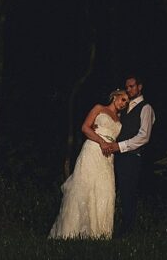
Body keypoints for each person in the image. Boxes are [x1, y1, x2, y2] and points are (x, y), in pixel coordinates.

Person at [49, 89, 129, 239]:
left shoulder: (119, 119)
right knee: (84, 186)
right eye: (123, 99)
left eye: (127, 102)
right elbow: (85, 127)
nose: (124, 103)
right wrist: (101, 141)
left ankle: (100, 233)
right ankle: (71, 232)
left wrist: (111, 145)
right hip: (93, 149)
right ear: (115, 96)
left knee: (105, 190)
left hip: (108, 156)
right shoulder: (99, 108)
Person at [101, 75, 154, 235]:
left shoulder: (146, 108)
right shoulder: (125, 106)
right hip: (116, 157)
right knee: (111, 190)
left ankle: (127, 232)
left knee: (128, 193)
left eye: (132, 86)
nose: (129, 89)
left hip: (131, 157)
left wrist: (119, 146)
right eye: (127, 87)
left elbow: (144, 136)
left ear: (140, 86)